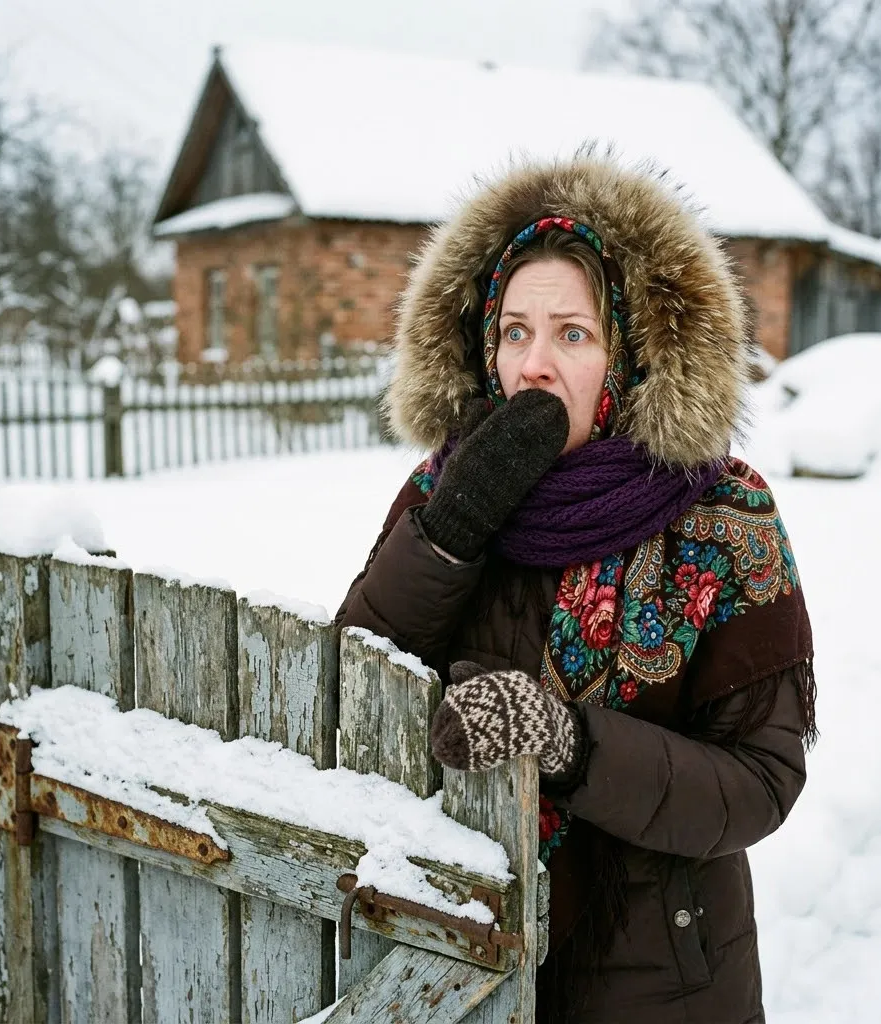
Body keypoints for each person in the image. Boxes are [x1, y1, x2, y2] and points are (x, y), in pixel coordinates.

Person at [335, 155, 815, 1024]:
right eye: (514, 332)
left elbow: (761, 780)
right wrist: (451, 530)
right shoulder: (441, 488)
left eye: (573, 335)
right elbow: (354, 689)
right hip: (462, 952)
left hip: (658, 977)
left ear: (635, 353)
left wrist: (572, 744)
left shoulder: (720, 517)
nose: (534, 366)